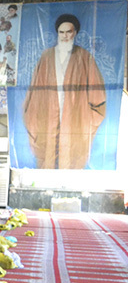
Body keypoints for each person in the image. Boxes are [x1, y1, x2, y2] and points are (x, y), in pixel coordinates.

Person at [23, 13, 106, 169]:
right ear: (57, 33)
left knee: (70, 150)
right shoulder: (46, 56)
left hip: (73, 113)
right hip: (49, 112)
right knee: (48, 150)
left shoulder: (84, 57)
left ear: (74, 33)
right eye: (62, 32)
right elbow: (36, 89)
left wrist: (86, 115)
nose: (65, 36)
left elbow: (97, 94)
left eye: (69, 32)